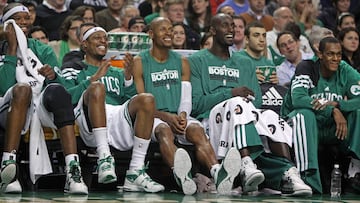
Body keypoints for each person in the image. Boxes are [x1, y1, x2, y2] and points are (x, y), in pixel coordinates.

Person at [188, 13, 312, 196]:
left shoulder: (244, 63)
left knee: (270, 115)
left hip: (243, 119)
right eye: (225, 26)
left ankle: (289, 172)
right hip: (212, 123)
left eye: (233, 25)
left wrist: (239, 100)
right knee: (238, 102)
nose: (231, 29)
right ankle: (246, 163)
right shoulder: (196, 60)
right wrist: (230, 93)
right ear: (212, 30)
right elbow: (197, 105)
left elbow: (258, 102)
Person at [132, 17, 241, 195]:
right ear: (151, 34)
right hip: (150, 119)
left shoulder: (182, 61)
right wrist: (167, 117)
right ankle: (184, 177)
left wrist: (182, 115)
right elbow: (141, 102)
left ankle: (217, 172)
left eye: (170, 30)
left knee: (196, 130)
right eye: (163, 30)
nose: (168, 33)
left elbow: (185, 97)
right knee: (164, 131)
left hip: (177, 116)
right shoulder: (139, 61)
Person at [61, 26, 165, 193]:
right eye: (97, 38)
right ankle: (104, 158)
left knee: (147, 99)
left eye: (105, 38)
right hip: (86, 116)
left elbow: (128, 99)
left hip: (116, 115)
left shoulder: (116, 71)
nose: (103, 41)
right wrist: (94, 79)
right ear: (84, 44)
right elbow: (66, 98)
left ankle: (135, 172)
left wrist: (129, 77)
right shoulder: (74, 68)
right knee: (97, 88)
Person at [0, 2, 88, 194]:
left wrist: (52, 77)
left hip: (39, 105)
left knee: (56, 90)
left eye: (26, 18)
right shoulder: (2, 48)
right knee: (22, 90)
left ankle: (73, 171)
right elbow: (3, 87)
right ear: (6, 24)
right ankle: (8, 167)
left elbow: (65, 91)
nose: (23, 22)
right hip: (6, 107)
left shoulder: (42, 49)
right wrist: (12, 51)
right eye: (17, 19)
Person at [280, 36, 360, 194]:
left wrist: (339, 105)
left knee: (357, 113)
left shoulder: (344, 69)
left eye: (338, 54)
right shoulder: (306, 67)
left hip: (329, 129)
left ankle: (355, 169)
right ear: (320, 54)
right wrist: (332, 110)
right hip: (295, 126)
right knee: (305, 114)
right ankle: (306, 177)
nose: (335, 59)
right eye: (330, 54)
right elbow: (298, 99)